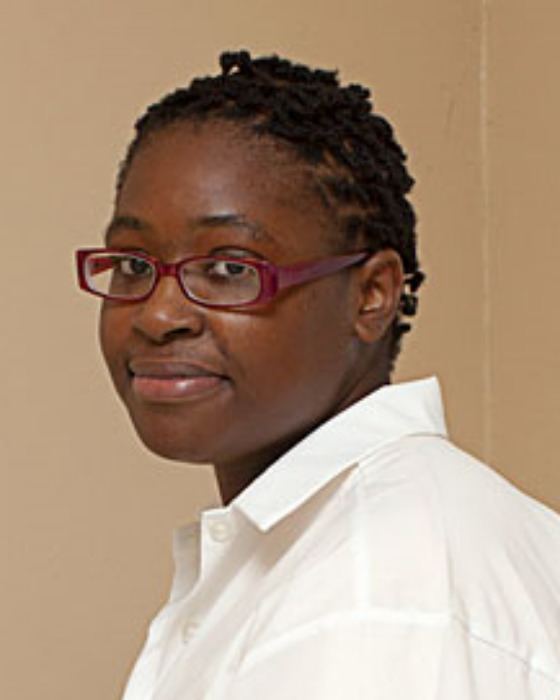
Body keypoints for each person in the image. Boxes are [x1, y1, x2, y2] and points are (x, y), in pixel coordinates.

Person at [76, 51, 560, 699]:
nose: (159, 314)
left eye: (230, 269)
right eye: (133, 263)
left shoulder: (372, 594)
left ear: (372, 295)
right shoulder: (368, 541)